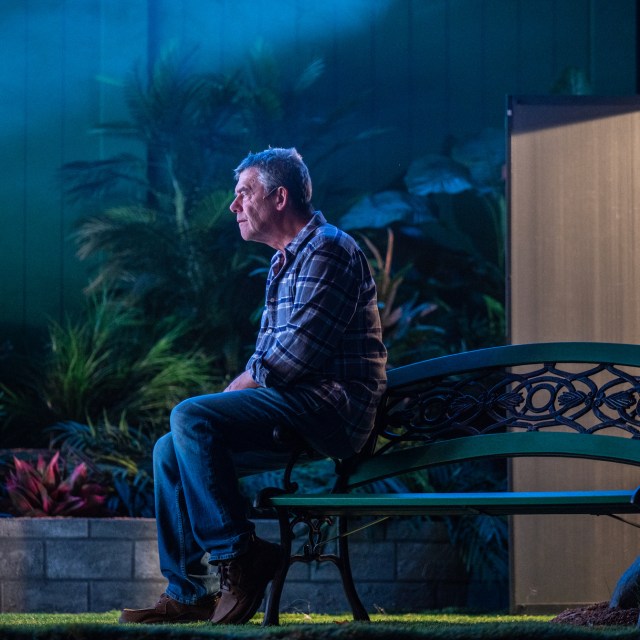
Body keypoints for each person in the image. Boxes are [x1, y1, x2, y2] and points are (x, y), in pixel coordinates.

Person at [119, 147, 387, 625]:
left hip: (333, 411)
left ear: (279, 198)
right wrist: (234, 395)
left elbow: (296, 355)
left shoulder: (329, 248)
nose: (233, 205)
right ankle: (188, 592)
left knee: (190, 416)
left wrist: (230, 395)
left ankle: (240, 556)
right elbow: (272, 360)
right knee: (169, 450)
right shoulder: (286, 260)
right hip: (298, 405)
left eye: (244, 192)